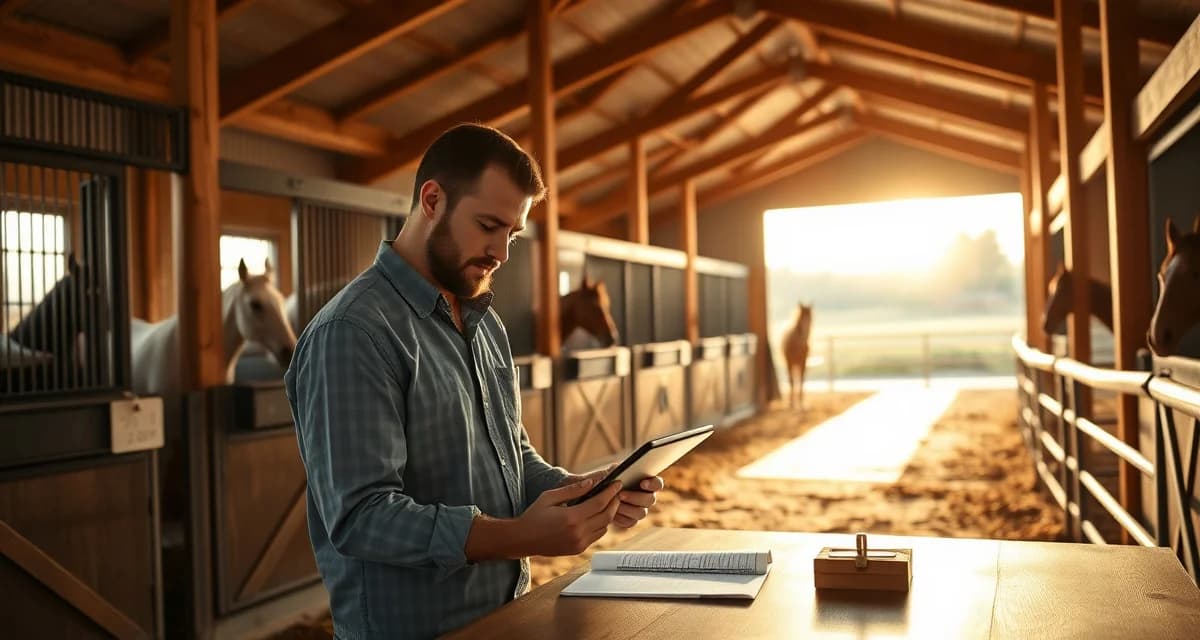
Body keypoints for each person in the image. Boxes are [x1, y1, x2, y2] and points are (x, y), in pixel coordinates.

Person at [285, 123, 664, 639]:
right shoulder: (353, 332)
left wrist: (588, 493)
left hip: (508, 618)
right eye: (488, 225)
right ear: (432, 200)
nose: (502, 252)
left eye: (513, 234)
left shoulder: (485, 324)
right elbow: (360, 517)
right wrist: (519, 537)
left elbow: (514, 460)